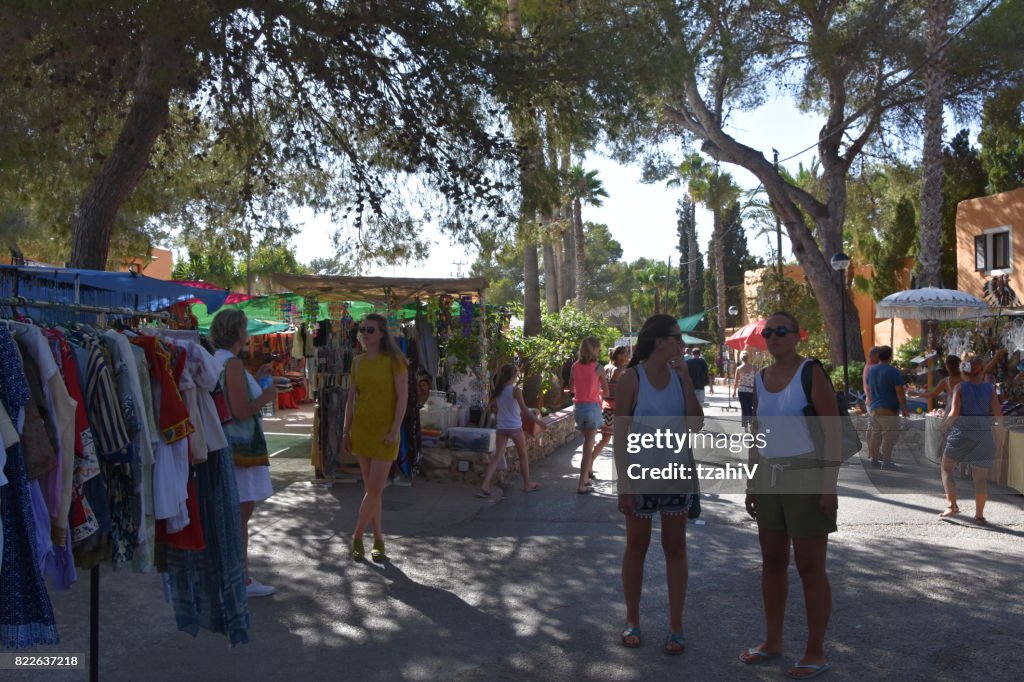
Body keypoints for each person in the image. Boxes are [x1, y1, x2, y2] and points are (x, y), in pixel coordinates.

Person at [741, 311, 838, 680]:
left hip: (807, 477)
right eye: (769, 331)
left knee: (811, 568)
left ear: (798, 335)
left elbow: (832, 432)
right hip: (769, 478)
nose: (774, 336)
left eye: (782, 330)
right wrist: (752, 481)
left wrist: (829, 486)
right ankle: (773, 641)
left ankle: (815, 651)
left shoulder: (810, 372)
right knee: (772, 564)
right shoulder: (759, 378)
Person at [614, 315, 703, 655]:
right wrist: (624, 486)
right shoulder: (631, 379)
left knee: (675, 549)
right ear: (660, 341)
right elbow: (620, 437)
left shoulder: (681, 376)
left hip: (676, 476)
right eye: (677, 337)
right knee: (637, 548)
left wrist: (684, 378)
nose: (682, 343)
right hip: (640, 479)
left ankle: (676, 626)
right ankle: (632, 620)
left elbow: (695, 424)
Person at [211, 309, 278, 598]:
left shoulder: (217, 361)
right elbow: (239, 411)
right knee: (240, 515)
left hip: (227, 446)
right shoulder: (232, 364)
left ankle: (233, 575)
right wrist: (265, 396)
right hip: (240, 450)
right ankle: (242, 579)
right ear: (239, 332)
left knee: (233, 514)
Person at [343, 314, 409, 562]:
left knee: (374, 489)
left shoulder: (395, 361)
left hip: (385, 432)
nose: (365, 334)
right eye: (362, 330)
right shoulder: (357, 362)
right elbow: (351, 399)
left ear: (382, 333)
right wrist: (344, 430)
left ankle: (357, 535)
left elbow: (403, 398)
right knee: (373, 491)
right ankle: (379, 539)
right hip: (362, 429)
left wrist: (394, 430)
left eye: (370, 330)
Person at [939, 351, 1003, 526]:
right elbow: (998, 413)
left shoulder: (960, 388)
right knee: (980, 477)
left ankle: (952, 505)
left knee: (946, 468)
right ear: (982, 371)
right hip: (983, 434)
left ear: (964, 371)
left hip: (962, 434)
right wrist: (1001, 431)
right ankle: (979, 515)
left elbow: (954, 413)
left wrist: (943, 426)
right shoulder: (990, 388)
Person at [478, 364, 546, 497]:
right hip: (514, 427)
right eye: (517, 374)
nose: (518, 377)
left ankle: (485, 484)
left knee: (497, 456)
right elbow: (525, 410)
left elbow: (493, 410)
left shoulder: (498, 391)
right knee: (523, 455)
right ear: (513, 376)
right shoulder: (516, 390)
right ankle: (527, 484)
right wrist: (538, 421)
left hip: (501, 428)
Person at [570, 336, 609, 495]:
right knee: (587, 448)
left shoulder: (575, 366)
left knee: (587, 444)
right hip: (592, 408)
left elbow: (572, 388)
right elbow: (606, 392)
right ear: (594, 349)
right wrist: (596, 391)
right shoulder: (599, 368)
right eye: (598, 348)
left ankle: (585, 479)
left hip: (578, 408)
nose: (599, 351)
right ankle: (581, 484)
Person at [866, 345, 908, 469]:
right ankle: (886, 462)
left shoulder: (872, 370)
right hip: (889, 408)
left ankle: (874, 460)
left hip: (875, 407)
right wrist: (904, 408)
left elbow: (868, 388)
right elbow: (900, 391)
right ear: (890, 357)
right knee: (888, 436)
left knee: (876, 434)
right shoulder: (893, 371)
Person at [591, 346, 630, 468]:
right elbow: (619, 374)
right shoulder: (617, 369)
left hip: (606, 408)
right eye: (626, 354)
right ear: (619, 356)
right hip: (615, 409)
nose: (628, 356)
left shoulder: (606, 367)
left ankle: (589, 465)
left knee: (604, 440)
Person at [732, 351, 757, 429]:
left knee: (744, 407)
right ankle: (751, 422)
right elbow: (758, 380)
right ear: (748, 358)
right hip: (751, 391)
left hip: (742, 390)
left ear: (741, 358)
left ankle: (745, 424)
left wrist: (734, 391)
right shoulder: (754, 367)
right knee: (750, 407)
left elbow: (736, 381)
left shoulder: (738, 369)